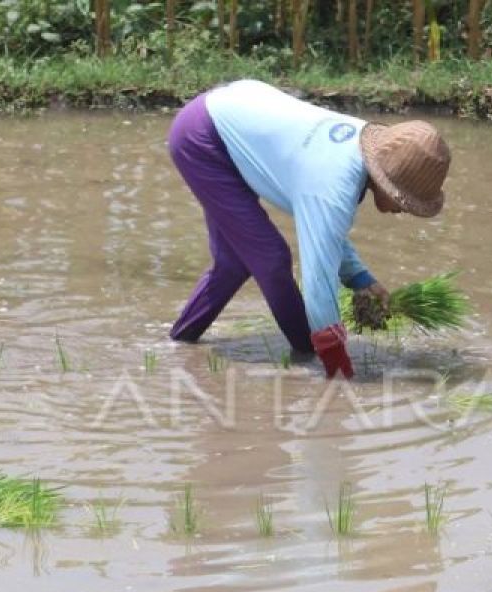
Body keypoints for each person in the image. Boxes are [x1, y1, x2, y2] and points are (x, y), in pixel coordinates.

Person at [166, 80, 451, 380]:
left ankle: (178, 344)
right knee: (271, 259)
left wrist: (359, 278)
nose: (402, 210)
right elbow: (318, 282)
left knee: (234, 263)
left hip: (232, 109)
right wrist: (333, 362)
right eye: (404, 201)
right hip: (202, 140)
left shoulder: (359, 151)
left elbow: (325, 232)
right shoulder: (333, 186)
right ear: (385, 182)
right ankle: (303, 352)